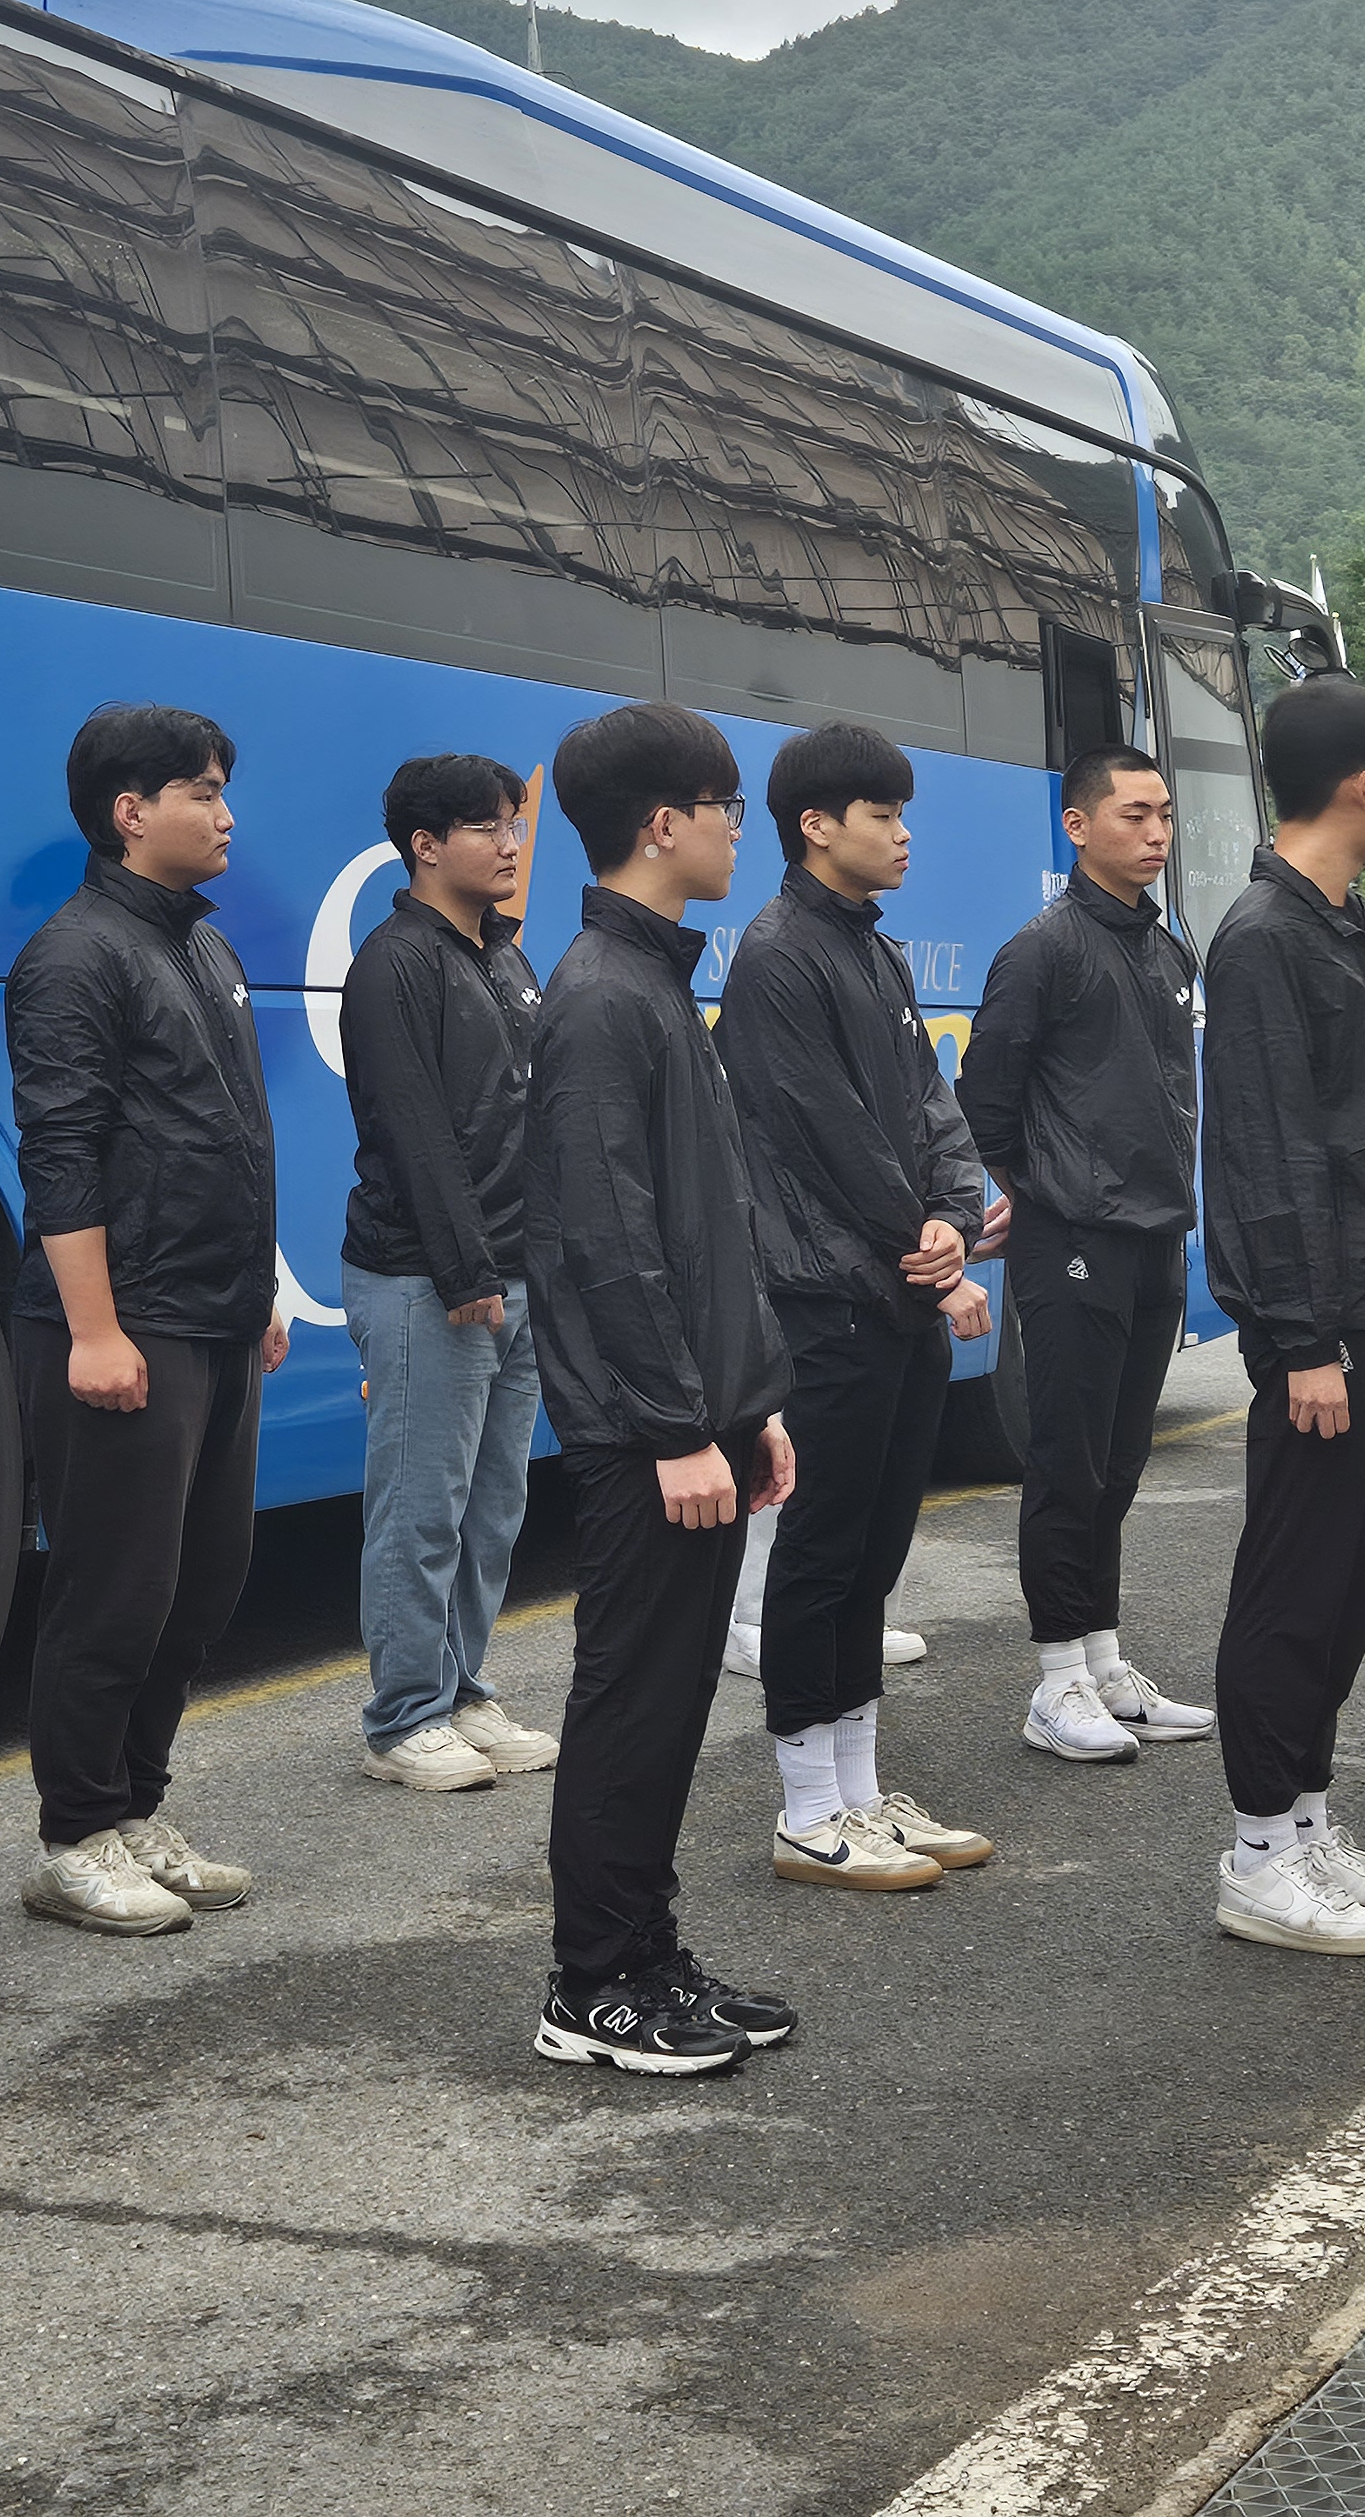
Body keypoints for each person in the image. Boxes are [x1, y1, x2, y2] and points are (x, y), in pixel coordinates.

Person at [525, 700, 802, 2074]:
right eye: (727, 806)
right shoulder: (596, 995)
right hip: (645, 1434)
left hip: (692, 1420)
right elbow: (605, 1241)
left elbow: (703, 1230)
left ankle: (645, 1953)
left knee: (671, 1700)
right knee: (631, 1699)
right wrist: (674, 1428)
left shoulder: (649, 982)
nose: (737, 829)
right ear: (661, 824)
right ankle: (592, 1987)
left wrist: (746, 1408)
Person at [8, 705, 288, 1939]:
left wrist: (262, 1283)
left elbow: (229, 1132)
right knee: (113, 1594)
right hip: (129, 1323)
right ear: (130, 812)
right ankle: (73, 1838)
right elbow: (60, 1158)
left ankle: (134, 1810)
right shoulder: (75, 955)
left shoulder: (204, 950)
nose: (226, 814)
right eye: (203, 791)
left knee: (200, 1587)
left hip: (217, 1315)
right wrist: (94, 1333)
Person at [1199, 676, 1365, 1957]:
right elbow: (1265, 1157)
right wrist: (1300, 1338)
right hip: (1333, 1328)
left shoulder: (1341, 926)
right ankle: (1254, 1855)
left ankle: (1306, 1819)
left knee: (1353, 1582)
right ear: (1360, 784)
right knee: (1295, 1585)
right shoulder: (1262, 939)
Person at [716, 723, 998, 1893]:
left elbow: (928, 1100)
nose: (903, 833)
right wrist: (920, 1237)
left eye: (902, 812)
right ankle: (803, 1810)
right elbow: (822, 1128)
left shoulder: (873, 952)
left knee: (876, 1549)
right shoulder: (779, 955)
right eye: (882, 813)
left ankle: (862, 1794)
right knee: (820, 1556)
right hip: (826, 1295)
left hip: (895, 1288)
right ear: (816, 824)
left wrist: (953, 1204)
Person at [960, 742, 1215, 1762]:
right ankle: (1055, 1679)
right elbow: (987, 1097)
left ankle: (1105, 1660)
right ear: (1077, 827)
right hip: (1071, 1239)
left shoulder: (1164, 948)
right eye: (1132, 816)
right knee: (1064, 1462)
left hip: (1154, 1235)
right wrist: (1033, 1192)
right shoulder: (1043, 947)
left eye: (1163, 816)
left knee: (1119, 1459)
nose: (1154, 834)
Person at [338, 753, 558, 1794]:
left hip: (514, 1274)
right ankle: (402, 1719)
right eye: (485, 828)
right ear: (426, 847)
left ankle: (463, 1691)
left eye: (513, 825)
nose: (510, 843)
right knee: (421, 1508)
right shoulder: (396, 962)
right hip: (429, 1278)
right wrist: (467, 1268)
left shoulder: (504, 959)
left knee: (491, 1506)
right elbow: (411, 1128)